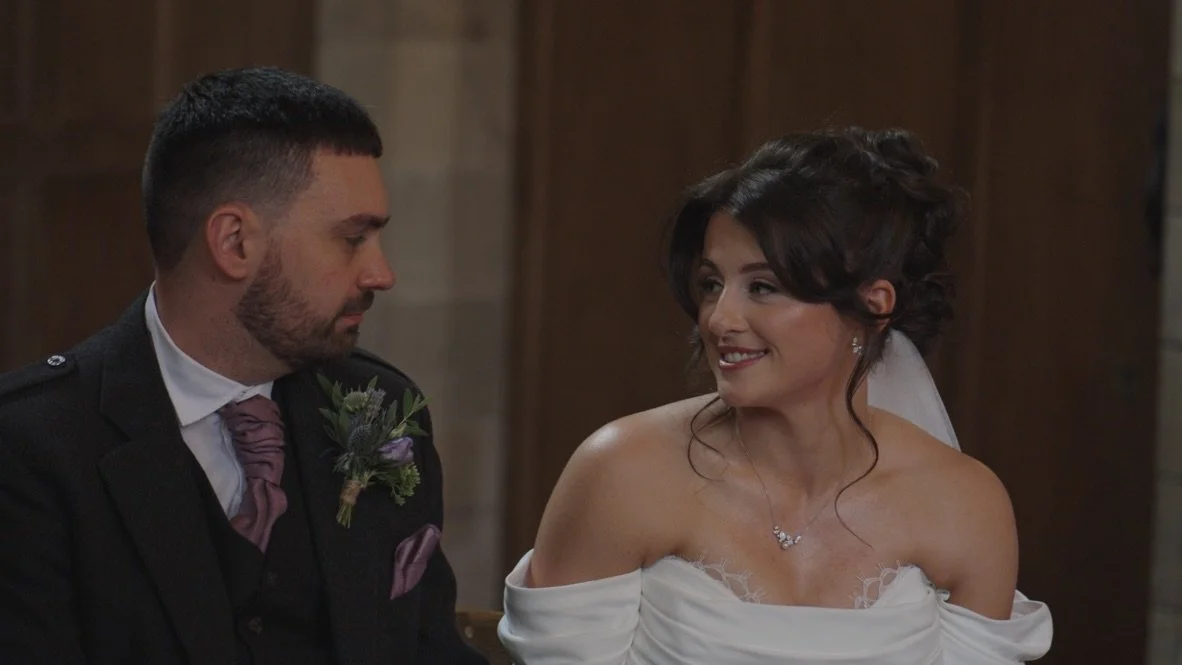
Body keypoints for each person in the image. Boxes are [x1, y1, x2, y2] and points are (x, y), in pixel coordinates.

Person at [498, 128, 1053, 663]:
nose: (720, 318)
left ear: (874, 304)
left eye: (762, 287)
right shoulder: (622, 470)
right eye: (712, 283)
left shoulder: (965, 503)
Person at [0, 67, 487, 665]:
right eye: (352, 238)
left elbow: (428, 652)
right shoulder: (30, 446)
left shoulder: (382, 411)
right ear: (233, 242)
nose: (380, 274)